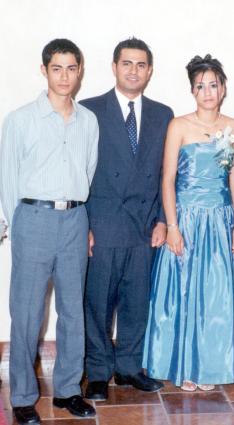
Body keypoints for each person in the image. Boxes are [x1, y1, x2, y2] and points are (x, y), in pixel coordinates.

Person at [0, 38, 98, 424]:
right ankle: (23, 395)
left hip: (75, 219)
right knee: (26, 312)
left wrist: (77, 212)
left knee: (73, 310)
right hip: (33, 220)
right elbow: (7, 179)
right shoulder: (20, 120)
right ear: (44, 71)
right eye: (56, 68)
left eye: (71, 68)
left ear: (79, 71)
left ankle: (69, 390)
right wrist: (18, 222)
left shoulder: (88, 121)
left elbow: (87, 172)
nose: (64, 76)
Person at [143, 55, 234, 391]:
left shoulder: (233, 127)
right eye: (200, 86)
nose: (207, 91)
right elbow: (168, 178)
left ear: (224, 88)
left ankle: (212, 367)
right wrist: (172, 225)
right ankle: (186, 366)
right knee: (185, 291)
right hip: (186, 218)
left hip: (219, 219)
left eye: (213, 85)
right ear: (192, 90)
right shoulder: (179, 126)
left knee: (216, 296)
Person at [81, 38, 173, 401]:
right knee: (97, 303)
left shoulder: (163, 114)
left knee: (138, 302)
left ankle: (130, 367)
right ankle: (99, 372)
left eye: (141, 65)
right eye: (126, 64)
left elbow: (170, 173)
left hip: (145, 224)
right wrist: (83, 224)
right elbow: (79, 172)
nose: (133, 70)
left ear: (150, 70)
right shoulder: (89, 110)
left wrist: (164, 220)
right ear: (114, 67)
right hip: (101, 223)